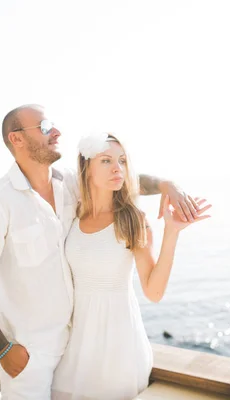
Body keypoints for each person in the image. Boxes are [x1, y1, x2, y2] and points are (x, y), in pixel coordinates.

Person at [0, 104, 203, 399]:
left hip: (74, 343)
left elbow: (118, 178)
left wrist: (167, 185)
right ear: (16, 139)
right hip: (31, 352)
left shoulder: (67, 184)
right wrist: (2, 348)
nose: (56, 132)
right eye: (44, 128)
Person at [51, 133, 211, 399]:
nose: (117, 168)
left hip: (118, 341)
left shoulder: (131, 218)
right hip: (76, 342)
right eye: (106, 161)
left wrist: (172, 232)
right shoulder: (74, 214)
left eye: (122, 161)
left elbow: (153, 292)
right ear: (86, 168)